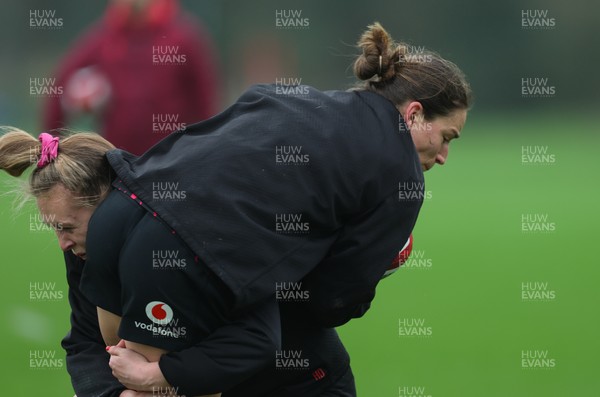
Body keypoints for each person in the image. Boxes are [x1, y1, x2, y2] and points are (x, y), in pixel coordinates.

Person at [1, 23, 471, 396]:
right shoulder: (397, 169)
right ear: (412, 114)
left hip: (175, 244)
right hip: (209, 279)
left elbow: (207, 139)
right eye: (446, 137)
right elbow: (331, 299)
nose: (444, 156)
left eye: (65, 226)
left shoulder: (286, 99)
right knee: (290, 359)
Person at [43, 0, 219, 155]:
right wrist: (51, 150)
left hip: (169, 159)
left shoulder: (183, 38)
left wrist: (202, 152)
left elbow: (205, 103)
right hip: (116, 163)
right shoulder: (102, 39)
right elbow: (60, 85)